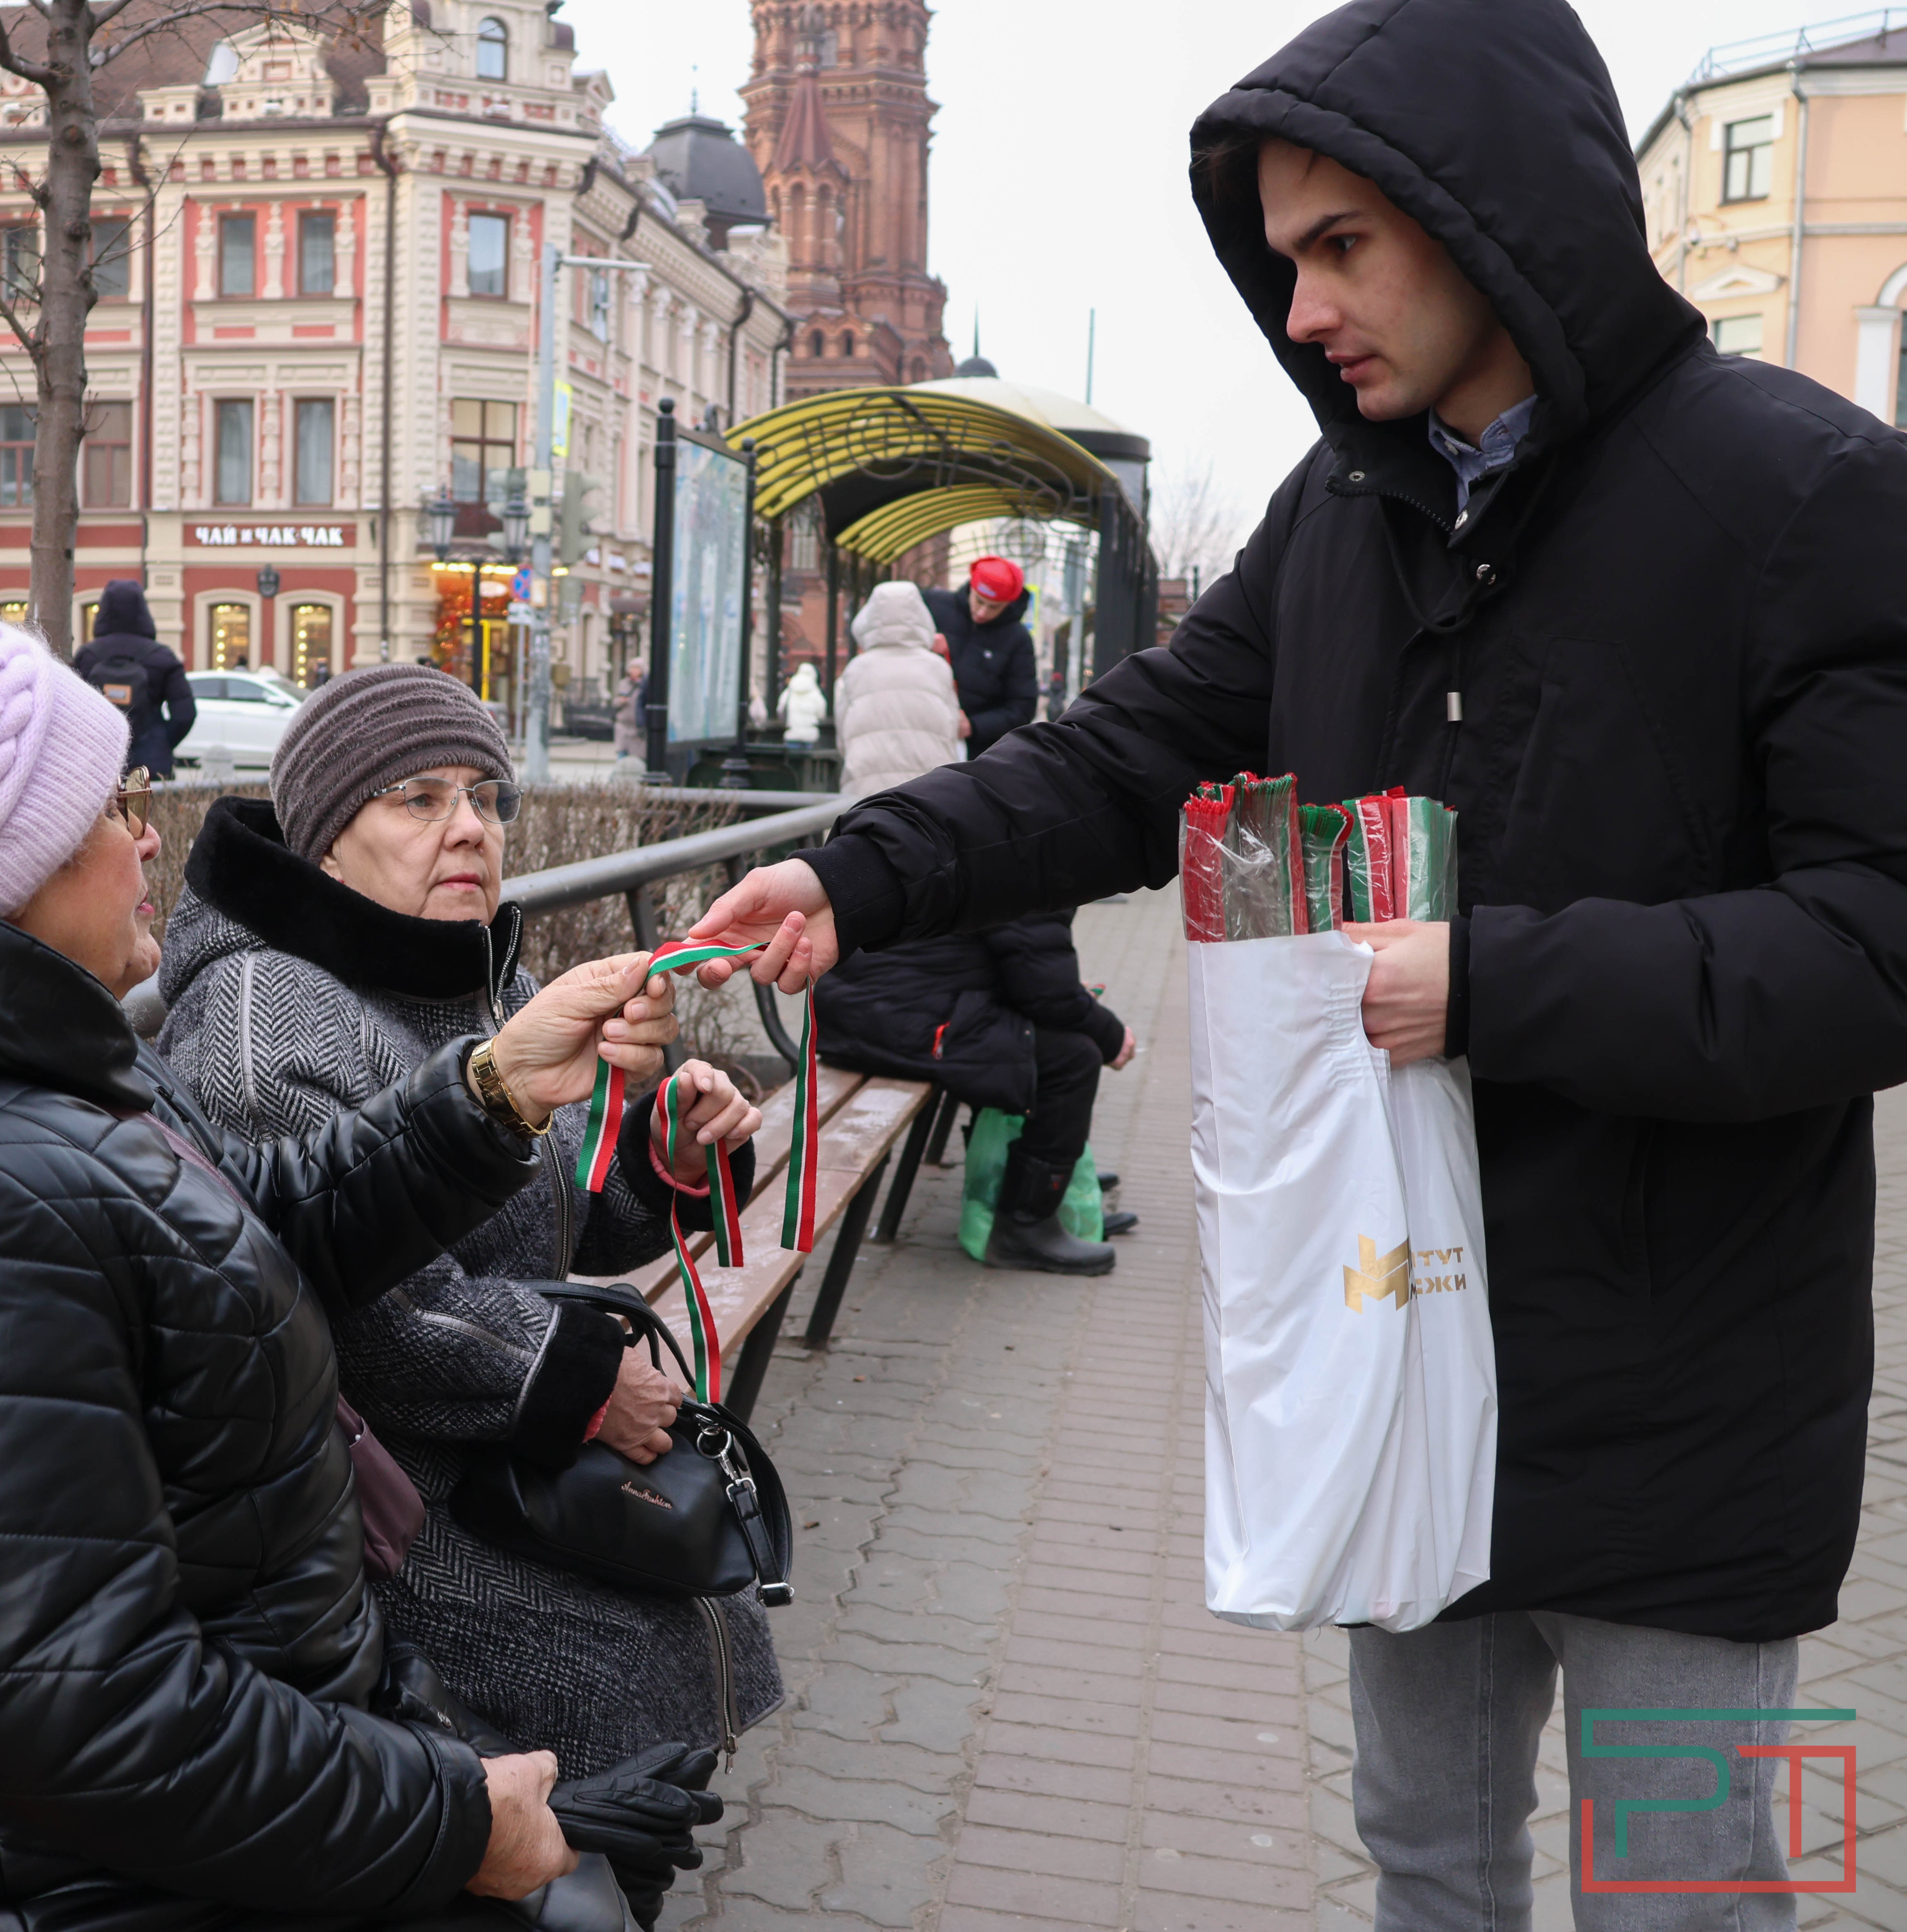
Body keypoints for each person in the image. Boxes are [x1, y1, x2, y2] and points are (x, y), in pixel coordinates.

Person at [685, 1, 1907, 1922]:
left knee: (1695, 1889)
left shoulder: (1808, 489)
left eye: (1342, 245)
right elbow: (1133, 752)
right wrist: (863, 872)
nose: (1304, 306)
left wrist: (1491, 984)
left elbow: (1874, 944)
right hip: (1392, 1342)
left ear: (1493, 213)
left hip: (1692, 1396)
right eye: (1281, 258)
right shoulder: (1344, 505)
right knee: (1425, 1855)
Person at [0, 605, 716, 1931]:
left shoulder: (25, 1065)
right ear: (6, 862)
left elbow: (246, 1230)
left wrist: (491, 1090)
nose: (151, 835)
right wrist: (454, 1820)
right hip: (34, 1888)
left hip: (150, 1835)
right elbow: (91, 1711)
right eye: (112, 806)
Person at [154, 663, 786, 1803]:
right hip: (379, 1504)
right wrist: (582, 1378)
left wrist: (667, 1158)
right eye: (419, 799)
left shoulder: (470, 968)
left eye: (487, 798)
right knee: (618, 1655)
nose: (471, 829)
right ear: (326, 841)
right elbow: (352, 1305)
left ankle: (608, 1842)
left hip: (490, 1455)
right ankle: (574, 1853)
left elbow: (561, 1211)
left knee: (667, 1624)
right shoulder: (266, 1014)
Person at [813, 912, 1135, 1273]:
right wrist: (1112, 1037)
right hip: (895, 1018)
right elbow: (1048, 993)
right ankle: (1025, 1226)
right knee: (1073, 1059)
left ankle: (1051, 1190)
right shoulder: (1031, 873)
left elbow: (1030, 970)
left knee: (1027, 1040)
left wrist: (1073, 1001)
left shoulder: (1021, 872)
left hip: (873, 1006)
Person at [835, 581, 964, 794]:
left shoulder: (857, 670)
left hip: (868, 791)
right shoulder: (938, 669)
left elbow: (843, 737)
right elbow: (952, 729)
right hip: (928, 792)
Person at [73, 578, 196, 777]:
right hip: (150, 767)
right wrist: (161, 742)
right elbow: (185, 714)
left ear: (104, 611)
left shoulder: (87, 656)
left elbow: (71, 711)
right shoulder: (162, 657)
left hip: (97, 764)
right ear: (143, 611)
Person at [921, 557, 1037, 756]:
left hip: (971, 754)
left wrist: (974, 727)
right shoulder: (934, 605)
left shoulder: (1018, 640)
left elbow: (1022, 708)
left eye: (994, 607)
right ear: (971, 588)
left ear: (1008, 604)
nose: (982, 613)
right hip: (918, 733)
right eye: (979, 601)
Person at [778, 660, 826, 746]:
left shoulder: (790, 690)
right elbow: (822, 713)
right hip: (810, 735)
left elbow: (781, 708)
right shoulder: (815, 692)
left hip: (792, 733)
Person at [612, 657, 647, 765]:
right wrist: (620, 701)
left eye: (637, 668)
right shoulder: (623, 684)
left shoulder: (644, 686)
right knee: (621, 756)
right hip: (623, 726)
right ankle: (619, 776)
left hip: (637, 729)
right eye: (632, 668)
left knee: (637, 759)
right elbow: (614, 703)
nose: (634, 671)